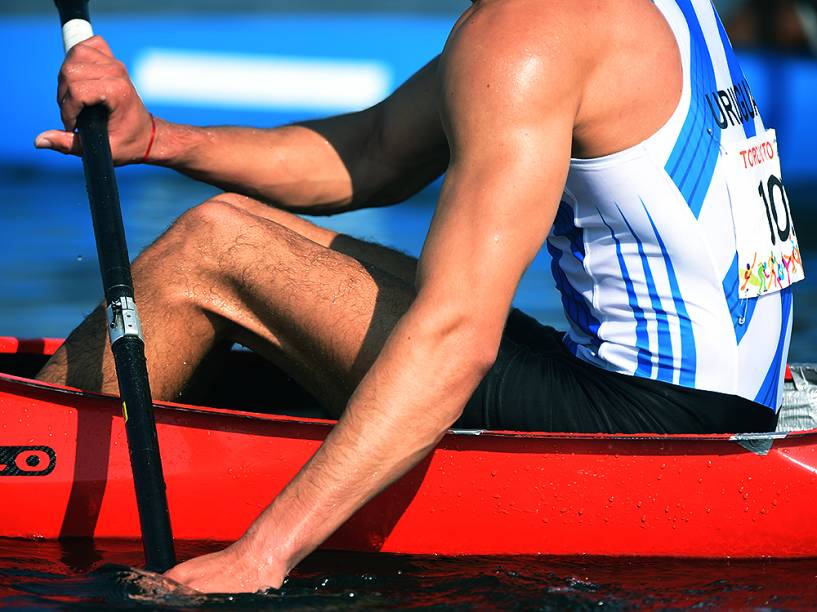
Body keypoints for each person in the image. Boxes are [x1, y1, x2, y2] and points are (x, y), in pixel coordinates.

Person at [35, 0, 801, 593]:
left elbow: (456, 336)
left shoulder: (526, 34)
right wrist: (159, 140)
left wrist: (262, 553)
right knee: (233, 227)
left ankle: (28, 467)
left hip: (644, 429)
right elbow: (373, 154)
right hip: (713, 396)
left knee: (212, 248)